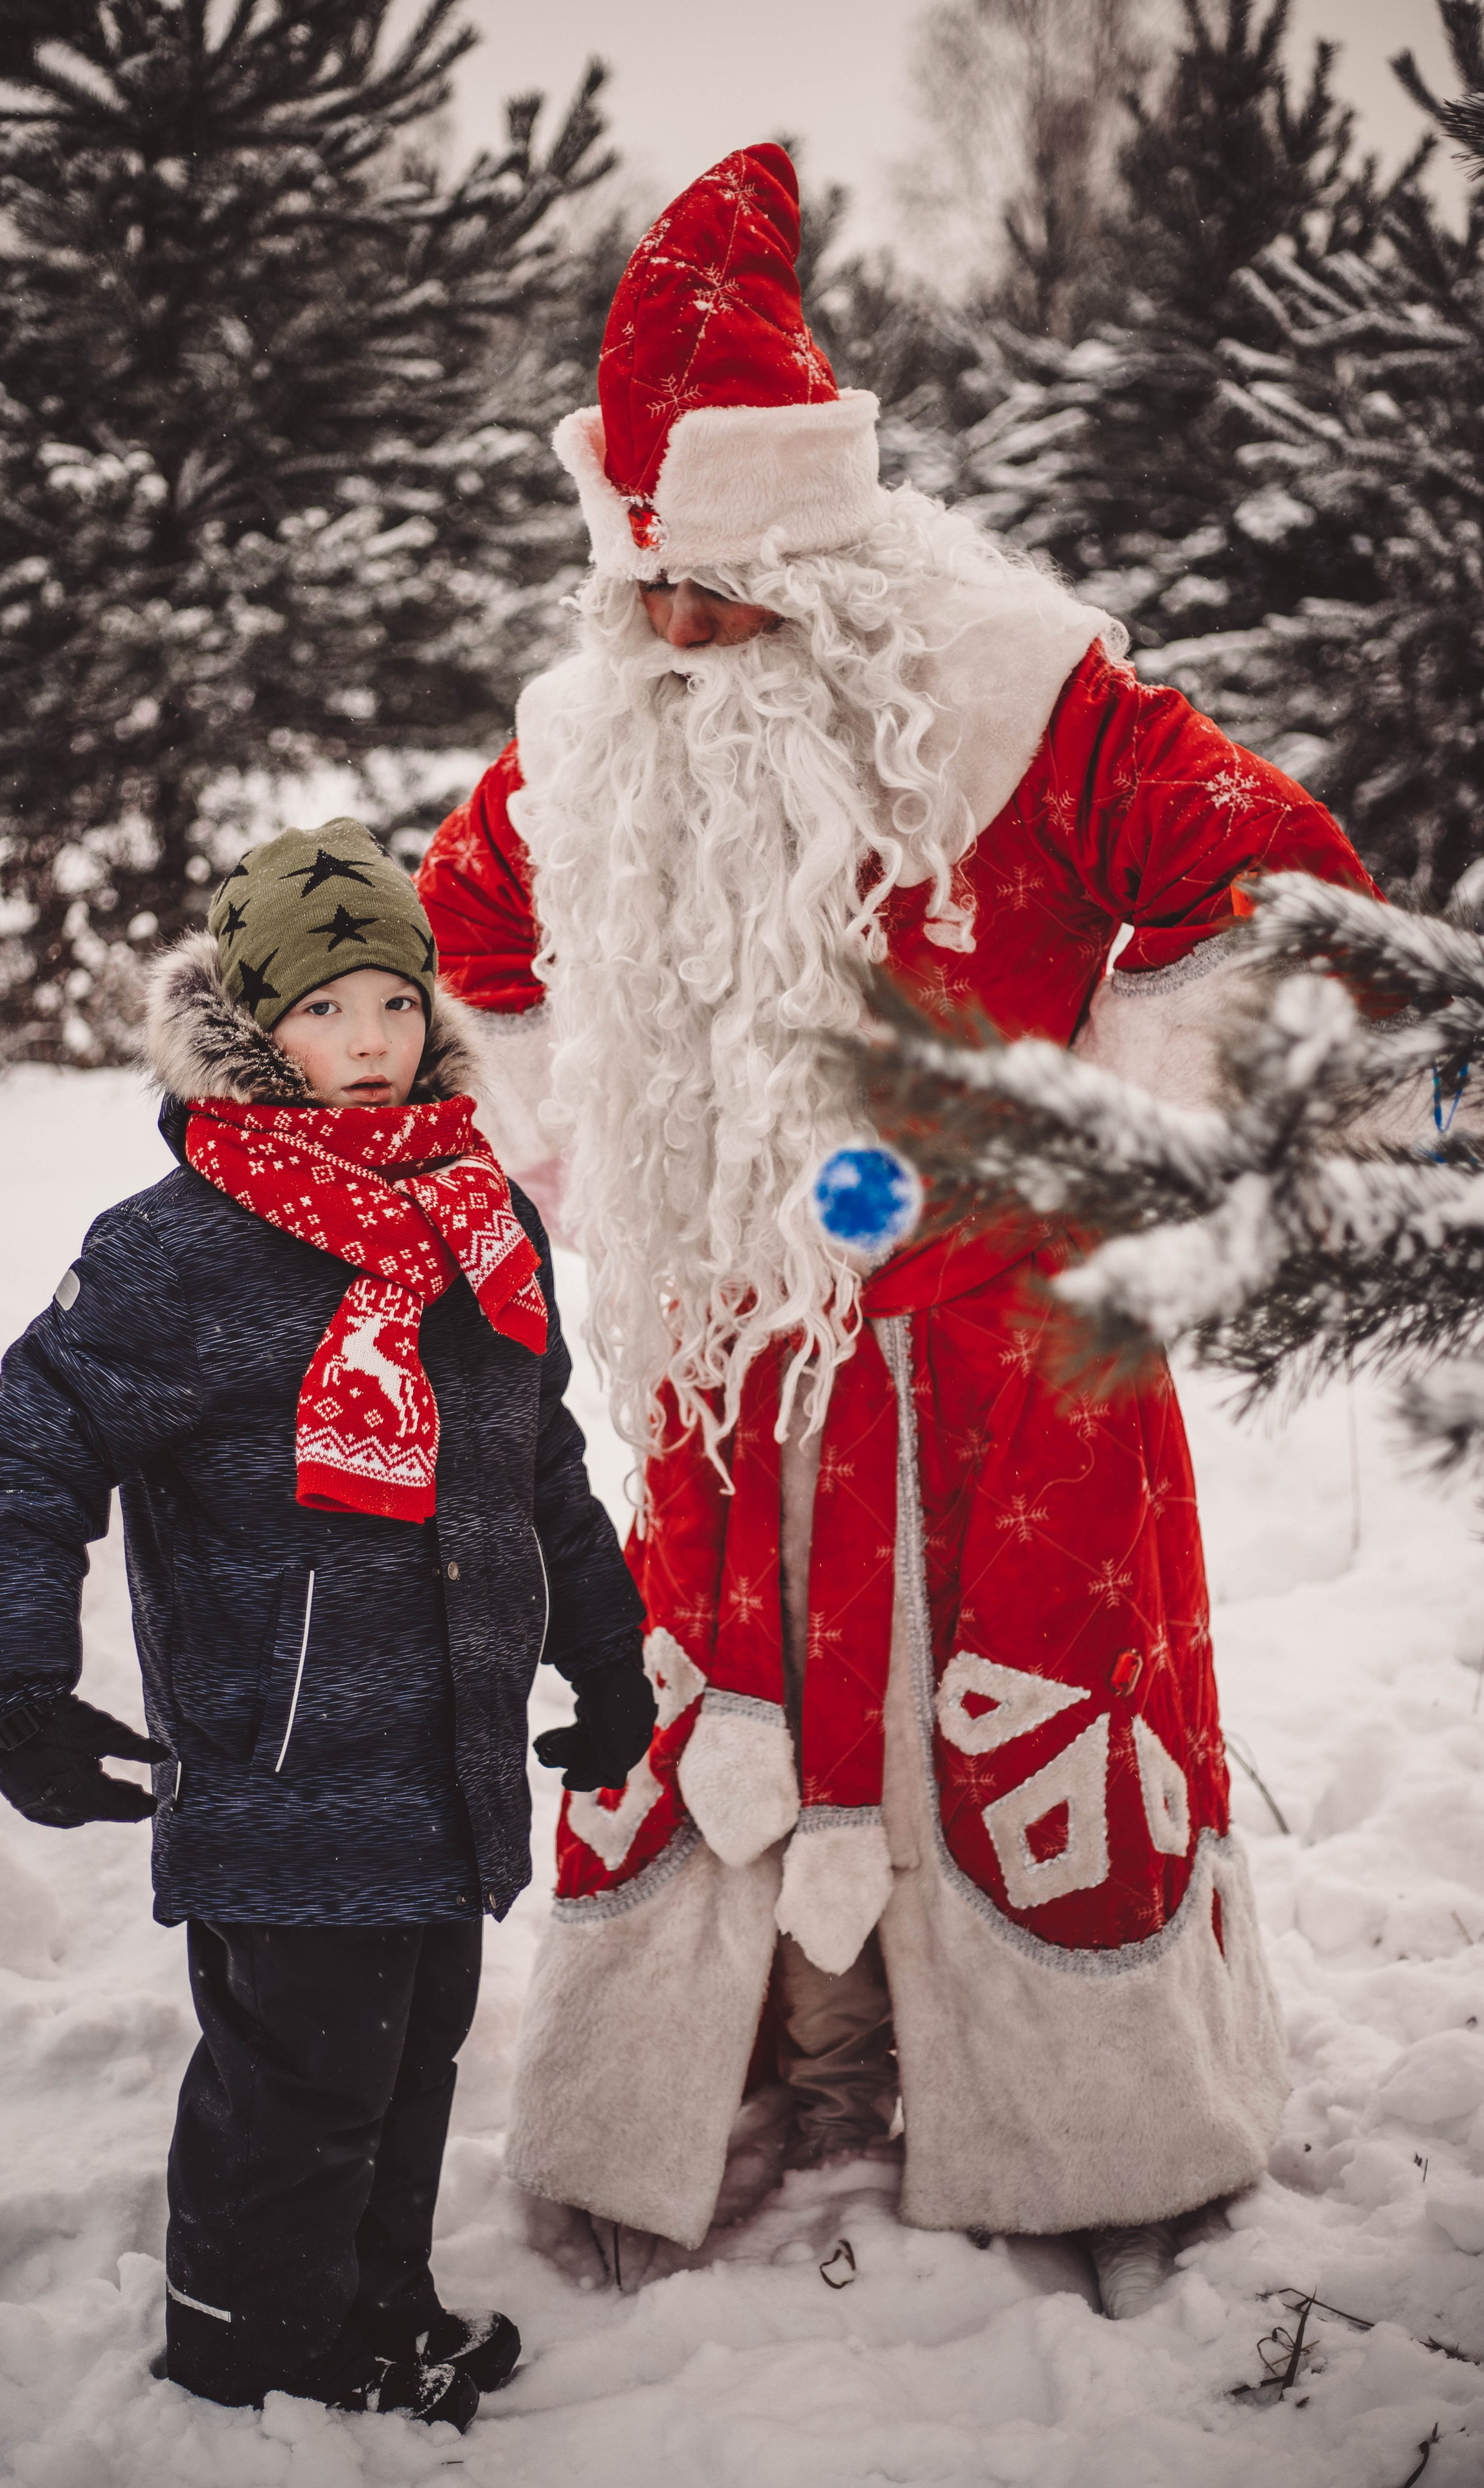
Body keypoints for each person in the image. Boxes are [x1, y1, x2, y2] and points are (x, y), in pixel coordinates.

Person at [415, 144, 1378, 2320]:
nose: (675, 640)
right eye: (641, 594)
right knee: (721, 1704)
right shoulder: (589, 741)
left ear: (828, 573)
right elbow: (466, 936)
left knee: (1013, 1701)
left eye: (722, 601)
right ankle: (760, 2068)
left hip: (1011, 1370)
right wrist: (580, 1140)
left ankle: (1064, 2120)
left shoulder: (1030, 696)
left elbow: (1282, 882)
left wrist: (1097, 1136)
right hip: (717, 1366)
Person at [0, 818, 654, 2418]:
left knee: (407, 2068)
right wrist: (15, 1688)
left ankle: (372, 2312)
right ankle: (250, 2357)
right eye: (323, 1011)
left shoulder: (479, 1219)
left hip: (445, 1751)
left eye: (393, 1006)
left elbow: (534, 1460)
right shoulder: (174, 1251)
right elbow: (16, 1455)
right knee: (301, 2082)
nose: (366, 1046)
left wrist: (604, 1655)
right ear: (254, 1028)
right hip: (280, 1760)